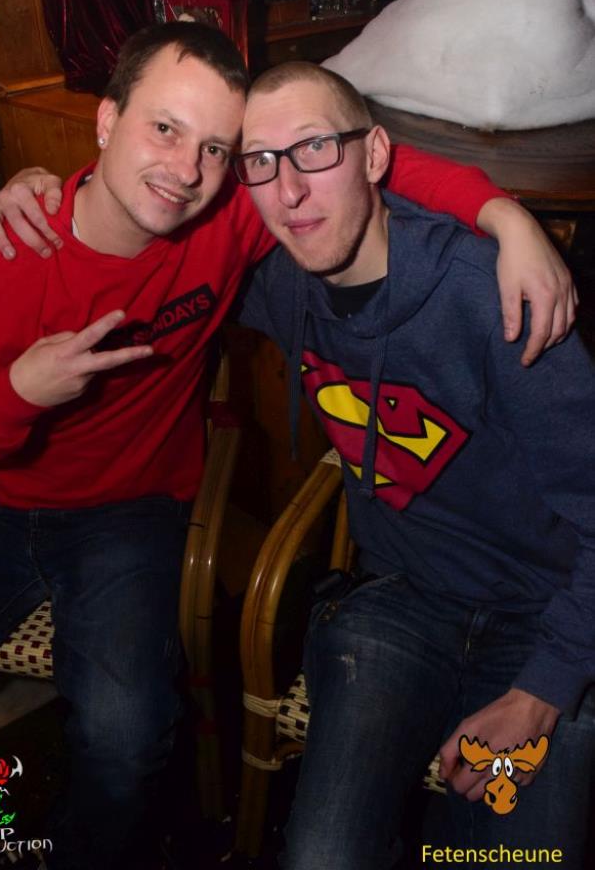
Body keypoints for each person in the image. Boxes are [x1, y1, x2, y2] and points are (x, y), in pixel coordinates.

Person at [0, 23, 577, 869]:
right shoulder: (19, 247)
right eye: (164, 128)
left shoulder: (233, 219)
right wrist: (22, 391)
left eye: (216, 150)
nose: (186, 171)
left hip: (131, 513)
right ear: (107, 121)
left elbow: (357, 161)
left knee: (124, 737)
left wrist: (504, 216)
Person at [232, 62, 595, 869]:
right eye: (260, 161)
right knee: (322, 856)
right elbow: (146, 228)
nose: (288, 191)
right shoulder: (276, 282)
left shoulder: (494, 297)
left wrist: (542, 690)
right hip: (400, 606)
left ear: (373, 156)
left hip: (542, 618)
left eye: (314, 149)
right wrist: (54, 194)